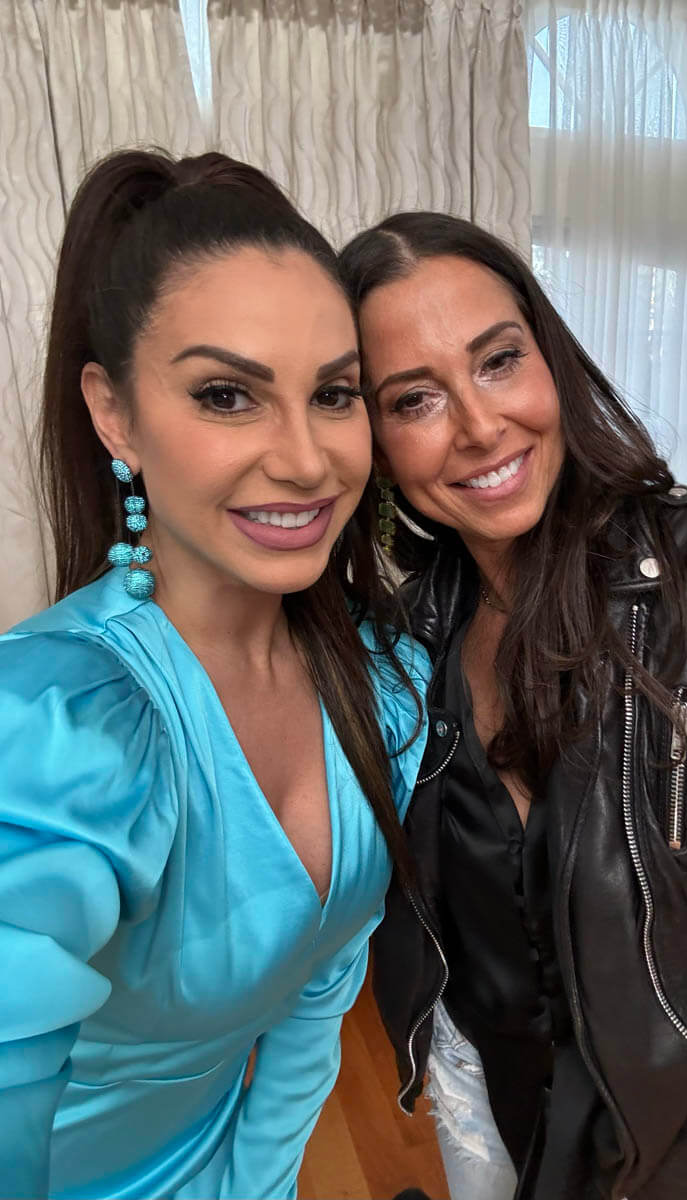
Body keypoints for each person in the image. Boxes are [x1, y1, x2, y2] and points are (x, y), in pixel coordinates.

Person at [338, 213, 687, 1200]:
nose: (479, 426)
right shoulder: (406, 634)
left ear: (549, 358)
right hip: (478, 1095)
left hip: (666, 1133)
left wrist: (686, 1180)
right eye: (415, 399)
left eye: (498, 360)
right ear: (375, 445)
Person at [0, 151, 430, 1200]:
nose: (307, 460)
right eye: (227, 394)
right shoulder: (53, 727)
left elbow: (318, 996)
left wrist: (258, 1183)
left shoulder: (384, 682)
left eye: (334, 393)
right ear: (114, 414)